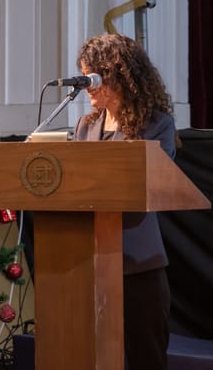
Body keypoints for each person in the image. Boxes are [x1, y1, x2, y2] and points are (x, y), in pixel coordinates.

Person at [74, 33, 175, 370]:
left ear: (120, 75)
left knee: (146, 358)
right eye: (84, 75)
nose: (88, 85)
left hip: (137, 265)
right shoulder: (85, 127)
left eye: (95, 76)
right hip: (87, 264)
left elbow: (148, 185)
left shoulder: (156, 125)